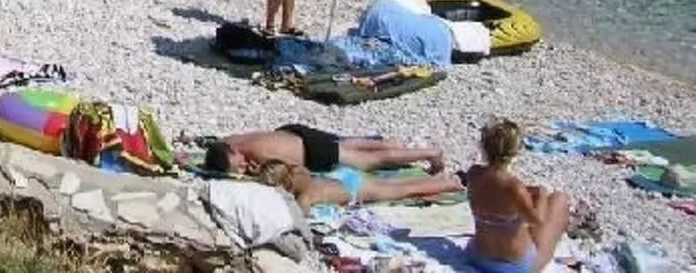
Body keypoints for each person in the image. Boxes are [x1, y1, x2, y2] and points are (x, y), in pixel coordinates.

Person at [465, 119, 571, 273]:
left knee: (516, 215)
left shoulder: (473, 174)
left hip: (479, 257)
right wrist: (541, 194)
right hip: (514, 267)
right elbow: (538, 221)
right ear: (515, 150)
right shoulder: (513, 186)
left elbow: (495, 191)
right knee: (559, 200)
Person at [203, 125, 444, 178]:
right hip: (295, 133)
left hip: (310, 151)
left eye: (240, 164)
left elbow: (284, 169)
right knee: (347, 143)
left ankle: (429, 153)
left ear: (233, 150)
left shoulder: (257, 155)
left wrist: (257, 172)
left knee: (369, 162)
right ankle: (390, 143)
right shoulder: (230, 141)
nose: (244, 167)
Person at [254, 158, 462, 210]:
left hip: (353, 190)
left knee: (403, 191)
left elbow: (300, 219)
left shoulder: (304, 197)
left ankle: (450, 185)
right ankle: (437, 179)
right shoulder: (298, 169)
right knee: (395, 183)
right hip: (342, 176)